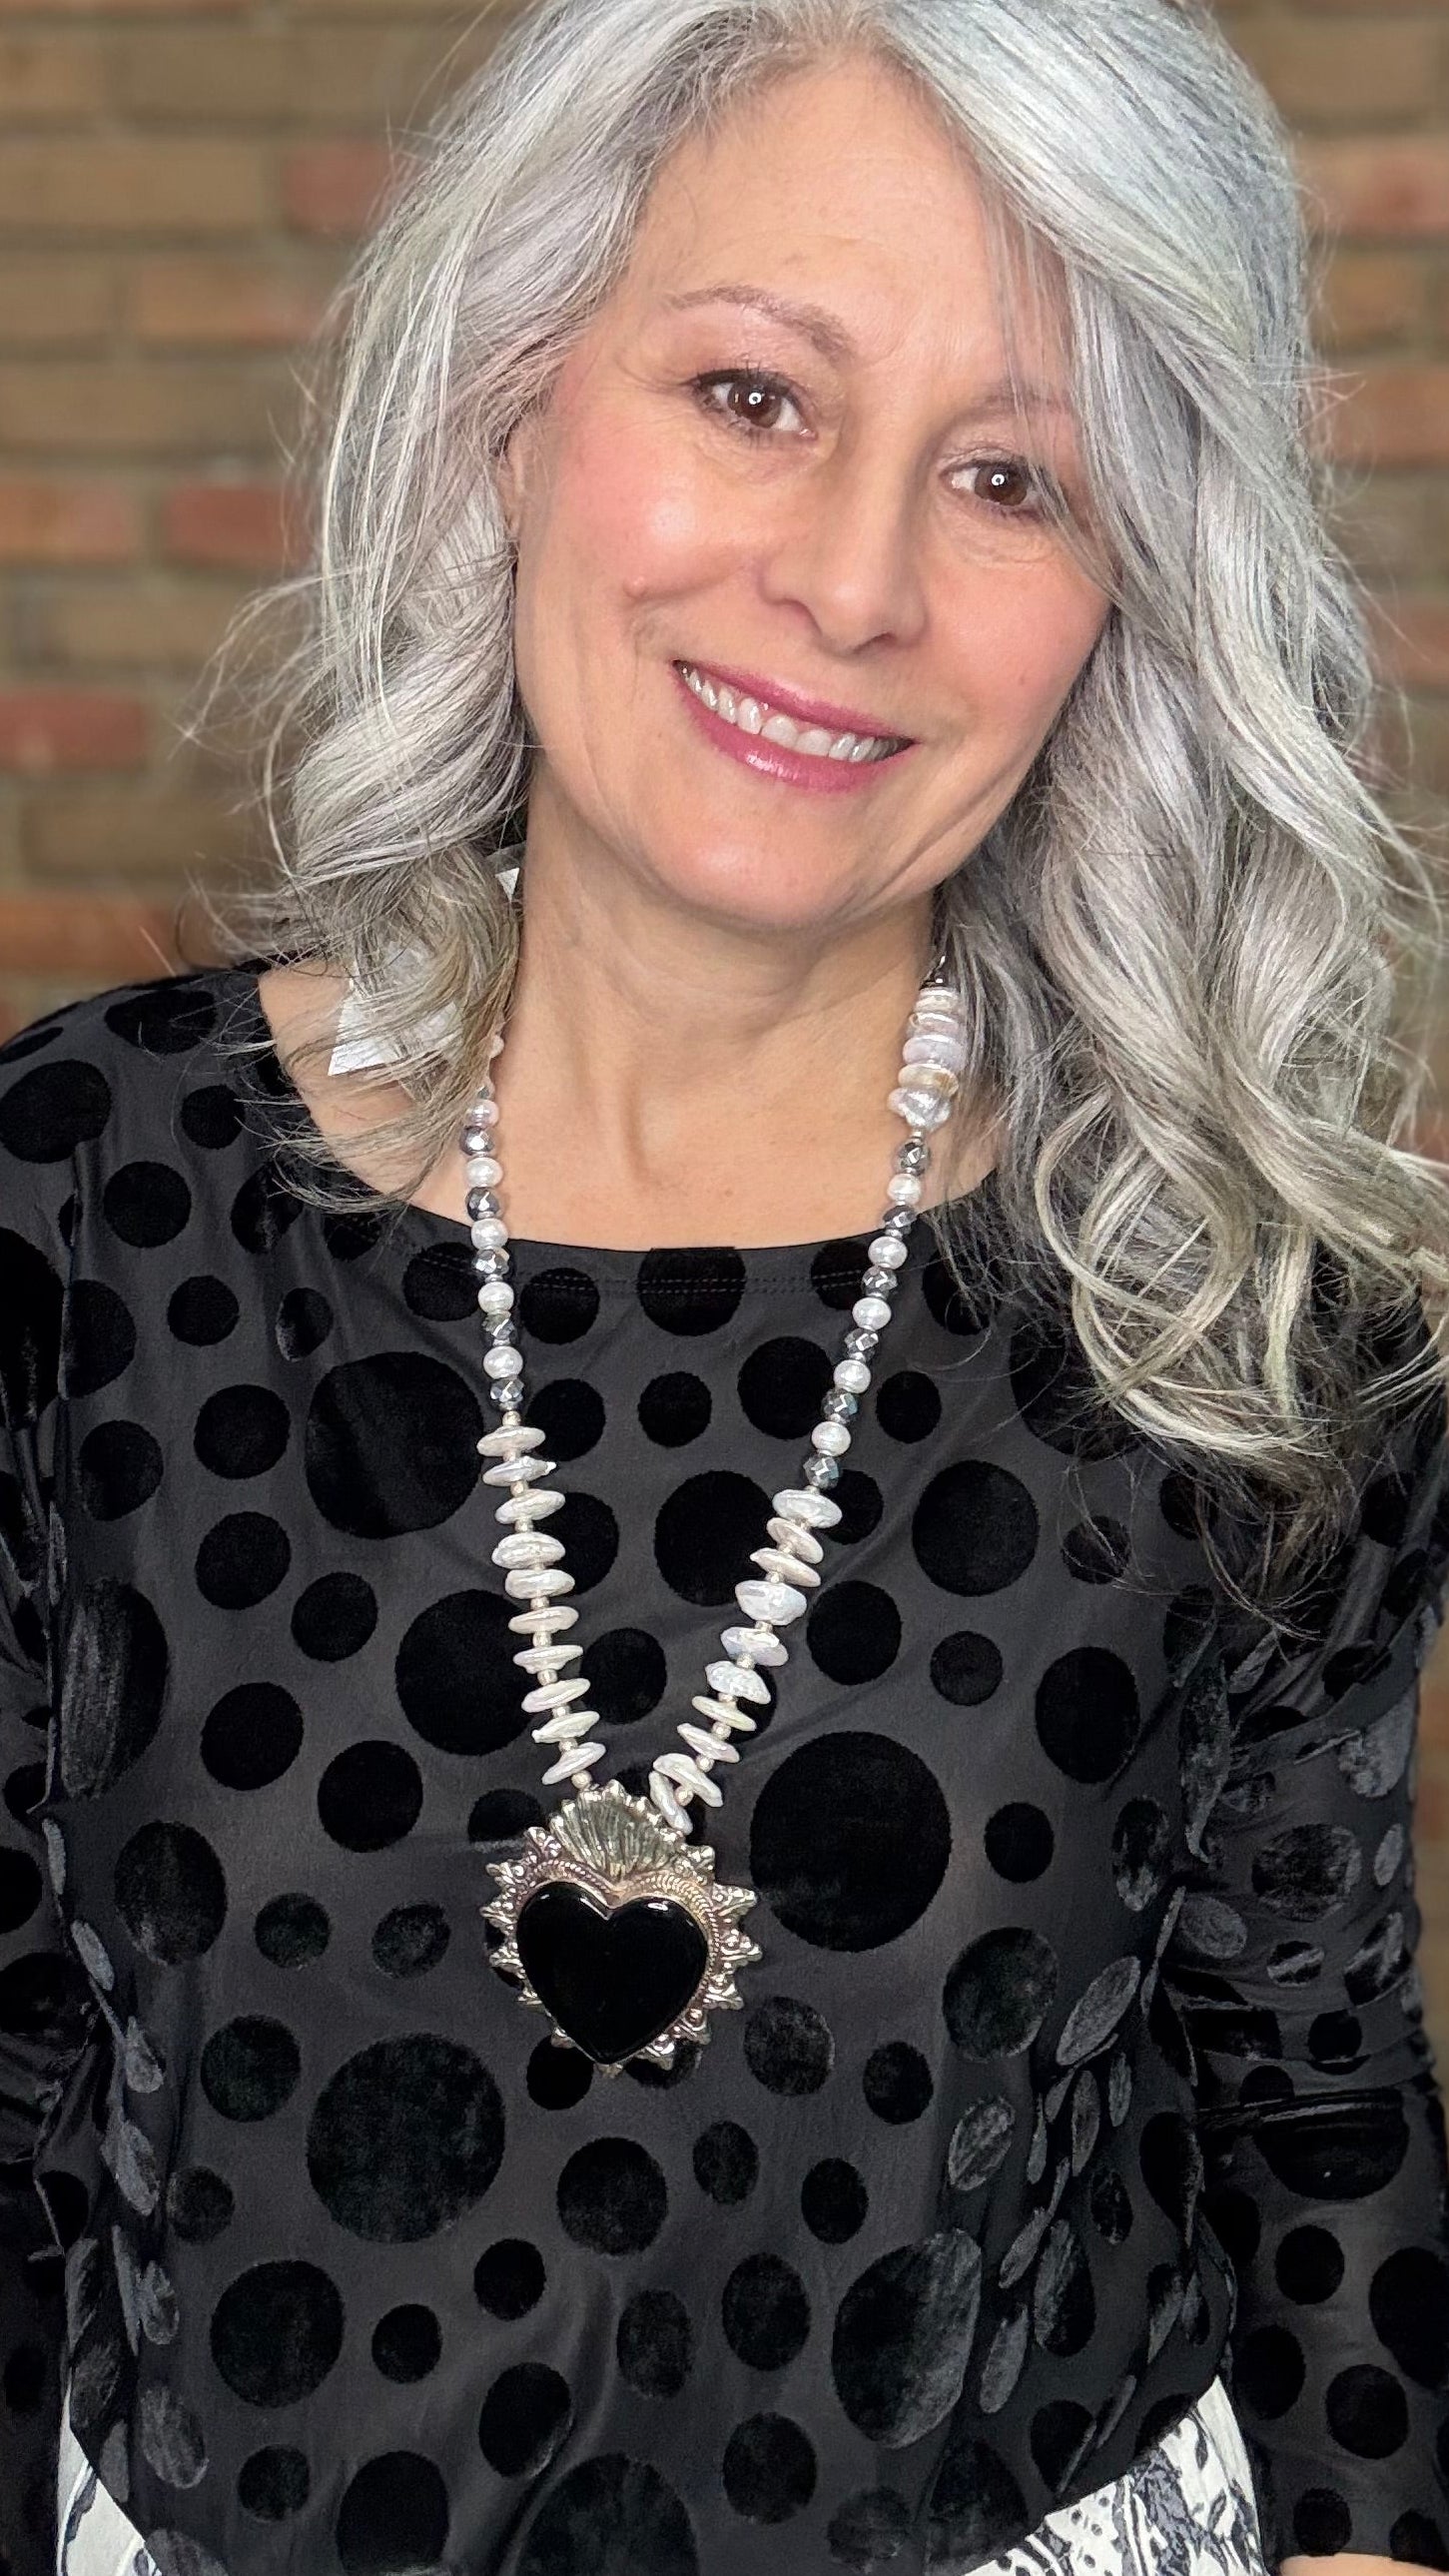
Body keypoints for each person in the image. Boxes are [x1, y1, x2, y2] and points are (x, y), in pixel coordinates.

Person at [3, 0, 1449, 2572]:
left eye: (1011, 478)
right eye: (756, 396)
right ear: (514, 405)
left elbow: (1311, 2083)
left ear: (1129, 589)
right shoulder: (84, 1193)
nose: (854, 587)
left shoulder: (1238, 1305)